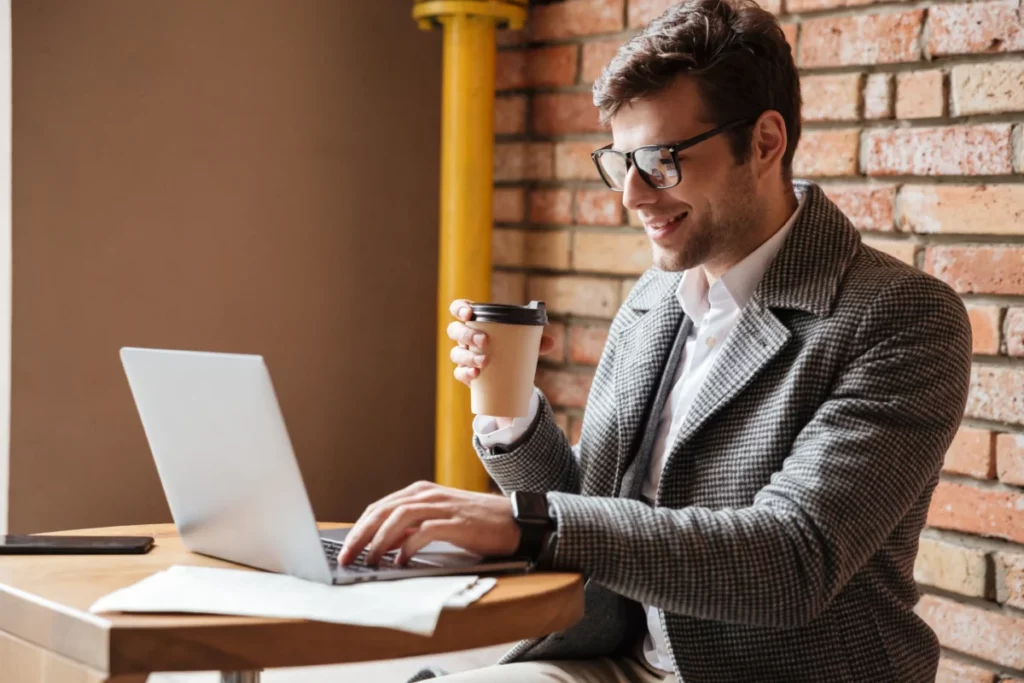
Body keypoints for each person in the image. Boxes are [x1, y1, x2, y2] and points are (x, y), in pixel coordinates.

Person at [339, 0, 973, 680]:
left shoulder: (900, 316)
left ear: (764, 141)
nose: (632, 196)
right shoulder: (657, 297)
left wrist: (524, 520)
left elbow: (793, 557)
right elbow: (598, 508)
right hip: (619, 653)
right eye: (621, 162)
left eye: (661, 160)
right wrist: (511, 413)